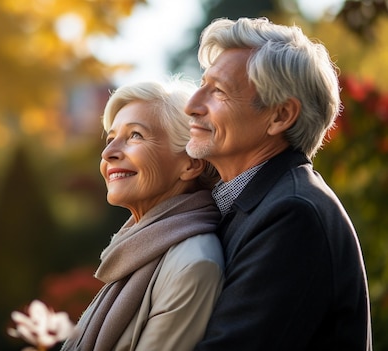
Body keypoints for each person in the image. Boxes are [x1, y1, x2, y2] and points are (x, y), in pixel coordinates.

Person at [184, 17, 372, 350]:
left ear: (280, 116)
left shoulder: (293, 215)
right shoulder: (254, 204)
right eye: (202, 84)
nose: (192, 105)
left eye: (218, 91)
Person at [61, 78, 224, 351]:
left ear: (191, 163)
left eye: (135, 135)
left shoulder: (194, 265)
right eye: (111, 138)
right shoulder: (138, 251)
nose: (108, 152)